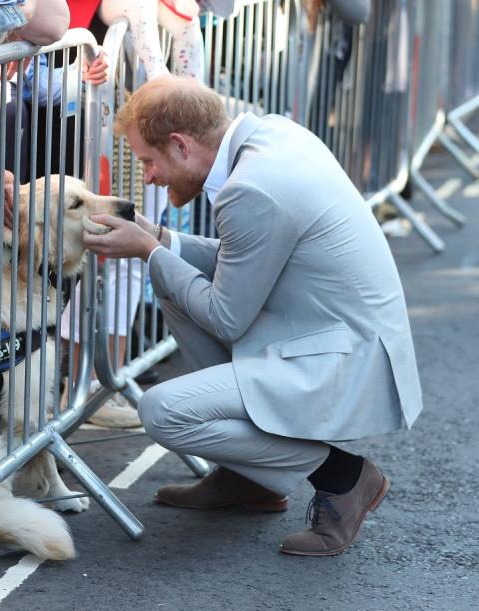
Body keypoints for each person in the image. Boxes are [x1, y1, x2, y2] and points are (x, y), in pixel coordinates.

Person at [82, 75, 421, 556]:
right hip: (324, 332)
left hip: (342, 360)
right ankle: (250, 478)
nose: (149, 177)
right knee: (170, 277)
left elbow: (225, 318)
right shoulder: (271, 135)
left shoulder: (251, 189)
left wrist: (149, 252)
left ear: (180, 145)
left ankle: (345, 478)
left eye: (148, 161)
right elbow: (243, 259)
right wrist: (158, 239)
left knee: (160, 411)